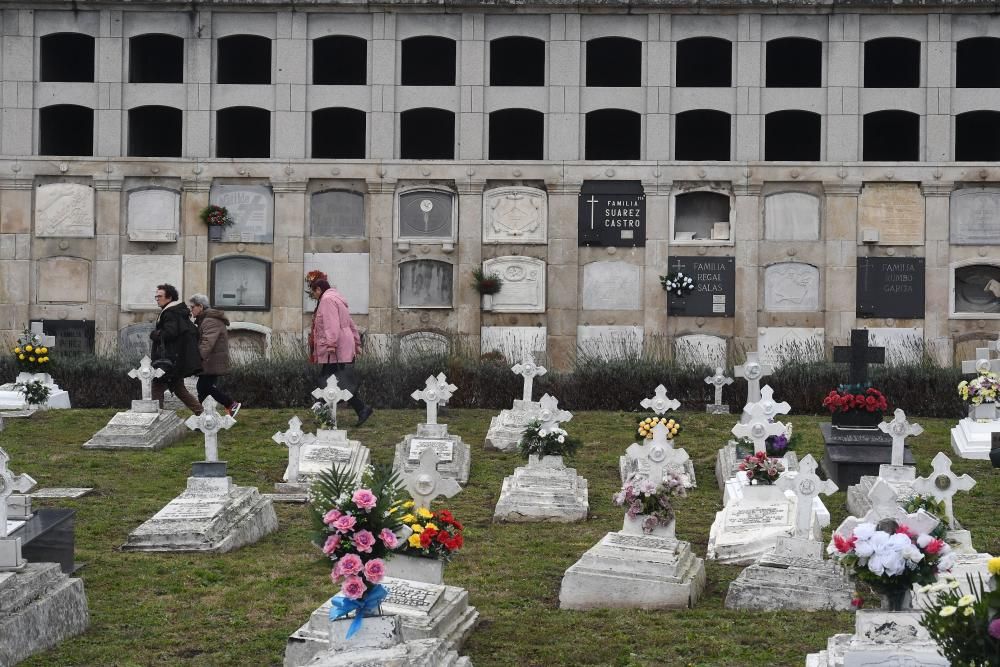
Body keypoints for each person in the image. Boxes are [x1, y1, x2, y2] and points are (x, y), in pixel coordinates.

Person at [309, 277, 373, 426]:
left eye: (314, 292)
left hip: (335, 348)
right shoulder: (337, 299)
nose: (314, 296)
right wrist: (356, 342)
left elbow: (331, 323)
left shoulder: (327, 300)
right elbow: (349, 323)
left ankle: (358, 409)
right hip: (343, 345)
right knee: (334, 380)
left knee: (329, 380)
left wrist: (331, 344)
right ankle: (326, 411)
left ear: (319, 289)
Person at [150, 283, 203, 415]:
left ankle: (155, 416)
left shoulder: (170, 313)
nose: (157, 298)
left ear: (169, 297)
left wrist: (154, 334)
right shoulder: (176, 312)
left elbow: (170, 333)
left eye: (160, 296)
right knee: (179, 389)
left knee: (157, 385)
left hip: (169, 359)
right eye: (156, 296)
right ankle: (202, 414)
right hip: (175, 359)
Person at [188, 293, 241, 418]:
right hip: (209, 360)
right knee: (202, 388)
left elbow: (207, 342)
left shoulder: (210, 320)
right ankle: (203, 417)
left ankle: (230, 404)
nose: (191, 311)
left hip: (211, 361)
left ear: (200, 306)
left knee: (205, 386)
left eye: (192, 307)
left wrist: (198, 358)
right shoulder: (206, 319)